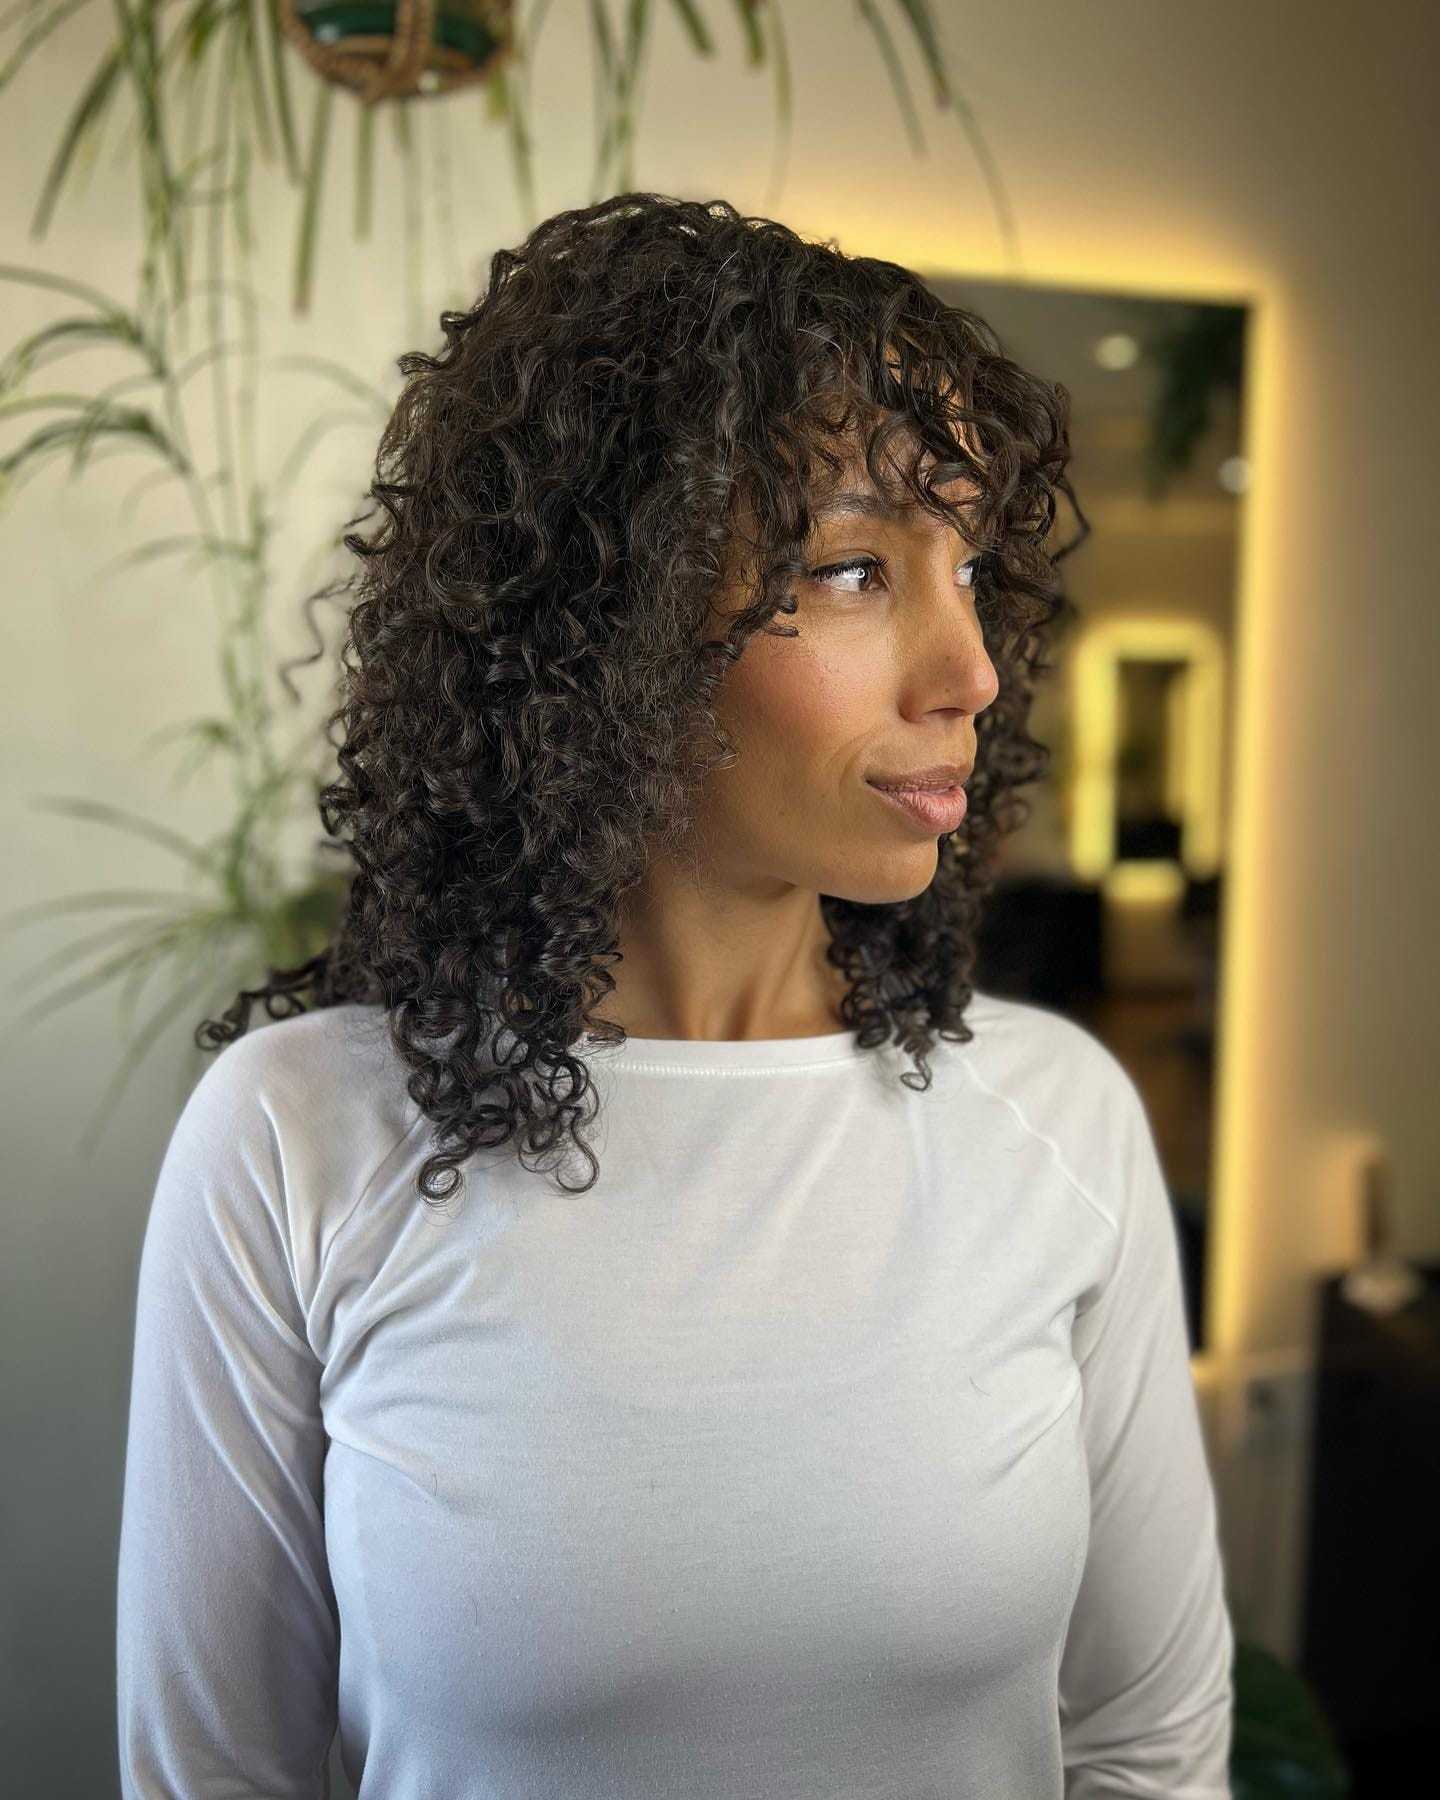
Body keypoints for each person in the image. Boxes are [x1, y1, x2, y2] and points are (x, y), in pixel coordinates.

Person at [116, 192, 1235, 1797]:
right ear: (599, 624)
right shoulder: (299, 1144)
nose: (968, 668)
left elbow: (1146, 1748)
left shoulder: (1054, 1122)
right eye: (854, 570)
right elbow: (217, 1781)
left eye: (968, 565)